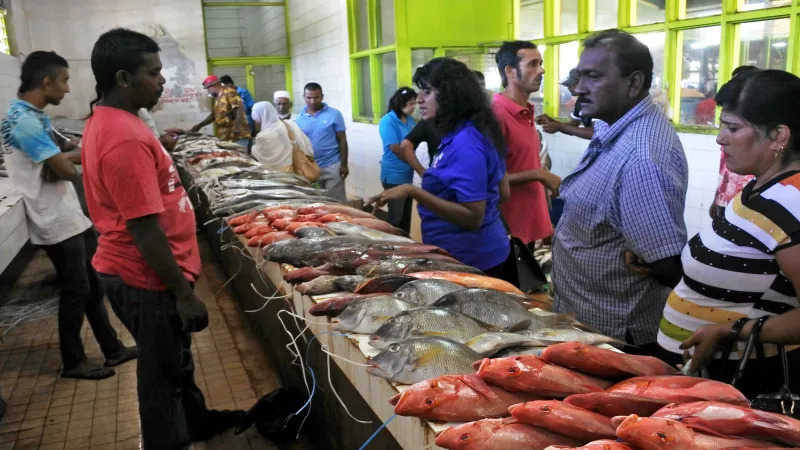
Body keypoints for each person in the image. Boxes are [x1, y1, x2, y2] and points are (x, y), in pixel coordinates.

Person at [81, 28, 242, 448]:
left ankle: (197, 422)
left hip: (142, 272)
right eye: (153, 73)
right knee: (160, 380)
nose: (162, 81)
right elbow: (143, 228)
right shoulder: (124, 137)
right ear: (122, 78)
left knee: (176, 363)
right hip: (145, 278)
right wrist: (181, 293)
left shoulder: (116, 120)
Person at [658, 70, 800, 397]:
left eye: (733, 128)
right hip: (712, 373)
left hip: (750, 380)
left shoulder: (792, 203)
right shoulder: (759, 186)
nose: (720, 138)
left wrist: (732, 331)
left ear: (779, 135)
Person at [1, 51, 136, 380]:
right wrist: (84, 155)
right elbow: (64, 170)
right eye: (63, 81)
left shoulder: (33, 114)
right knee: (76, 291)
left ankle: (113, 349)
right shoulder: (25, 122)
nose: (67, 89)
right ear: (46, 81)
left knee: (91, 285)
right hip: (54, 220)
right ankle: (73, 361)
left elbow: (67, 148)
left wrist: (73, 154)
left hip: (69, 214)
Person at [552, 30, 688, 353]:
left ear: (634, 82)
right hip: (588, 323)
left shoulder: (640, 159)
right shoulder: (613, 122)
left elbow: (666, 265)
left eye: (593, 77)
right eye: (579, 76)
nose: (579, 88)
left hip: (616, 338)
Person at [367, 58, 513, 279]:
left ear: (449, 95)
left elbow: (473, 217)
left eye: (426, 91)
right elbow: (503, 193)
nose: (419, 99)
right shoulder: (464, 133)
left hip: (471, 260)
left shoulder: (466, 145)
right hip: (464, 253)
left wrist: (413, 191)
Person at [492, 40, 561, 246]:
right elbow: (490, 179)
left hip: (530, 228)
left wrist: (545, 222)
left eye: (540, 63)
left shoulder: (525, 111)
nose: (541, 70)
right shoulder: (497, 114)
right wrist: (538, 174)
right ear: (510, 71)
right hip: (508, 233)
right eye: (532, 64)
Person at [709, 65, 760, 218]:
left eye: (733, 128)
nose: (720, 139)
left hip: (744, 204)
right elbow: (724, 170)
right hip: (726, 200)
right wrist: (717, 197)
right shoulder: (729, 135)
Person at [295, 82, 349, 202]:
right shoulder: (298, 118)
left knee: (336, 202)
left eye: (316, 97)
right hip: (310, 166)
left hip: (332, 164)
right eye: (309, 98)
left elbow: (343, 140)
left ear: (322, 96)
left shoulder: (334, 114)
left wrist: (344, 165)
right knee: (315, 203)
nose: (312, 101)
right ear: (304, 97)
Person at [378, 87, 418, 232]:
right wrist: (416, 164)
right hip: (394, 175)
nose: (414, 107)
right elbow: (395, 148)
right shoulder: (388, 121)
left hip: (408, 175)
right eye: (411, 103)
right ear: (401, 103)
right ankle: (392, 247)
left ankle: (405, 245)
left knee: (406, 216)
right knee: (396, 216)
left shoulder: (410, 120)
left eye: (415, 104)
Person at [190, 74, 251, 149]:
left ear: (213, 86)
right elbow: (213, 115)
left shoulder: (229, 92)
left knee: (241, 158)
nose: (208, 91)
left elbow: (239, 109)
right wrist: (199, 125)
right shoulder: (217, 98)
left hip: (237, 137)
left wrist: (237, 128)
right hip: (226, 138)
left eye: (208, 89)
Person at [251, 101, 314, 171]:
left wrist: (252, 149)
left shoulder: (263, 136)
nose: (256, 122)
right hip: (299, 170)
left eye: (256, 119)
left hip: (281, 176)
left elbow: (263, 158)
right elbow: (307, 146)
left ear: (261, 116)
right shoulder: (289, 123)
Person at [536, 68, 595, 140]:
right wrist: (551, 121)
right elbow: (573, 126)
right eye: (569, 85)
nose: (570, 88)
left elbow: (597, 133)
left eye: (574, 84)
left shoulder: (597, 101)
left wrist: (560, 126)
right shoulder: (580, 102)